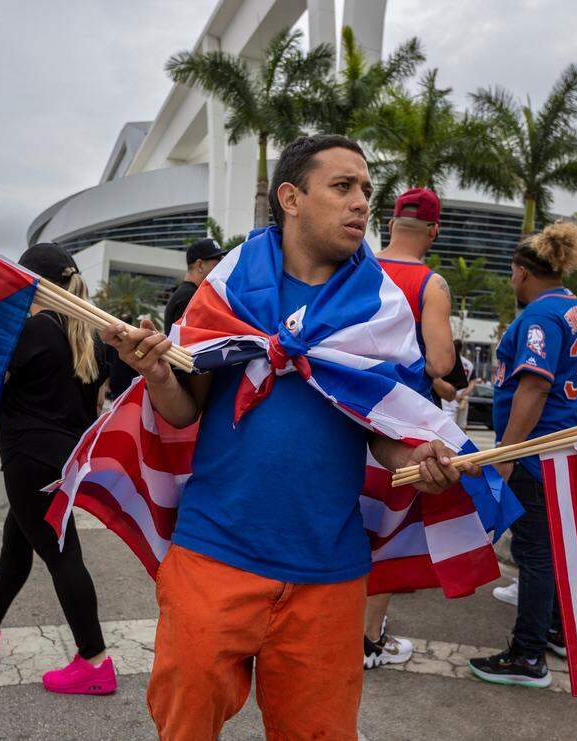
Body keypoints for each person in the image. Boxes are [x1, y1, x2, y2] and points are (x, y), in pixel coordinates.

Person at [101, 135, 460, 738]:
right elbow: (186, 411)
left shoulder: (381, 309)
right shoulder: (227, 288)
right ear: (291, 198)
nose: (360, 204)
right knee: (183, 725)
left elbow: (386, 431)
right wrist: (159, 372)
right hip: (214, 553)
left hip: (329, 570)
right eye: (342, 187)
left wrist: (419, 454)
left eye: (366, 191)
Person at [0, 243, 115, 695]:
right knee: (17, 544)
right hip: (62, 458)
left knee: (62, 556)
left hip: (28, 457)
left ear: (32, 282)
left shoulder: (34, 330)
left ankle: (94, 661)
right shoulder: (89, 337)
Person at [466, 220, 577, 689]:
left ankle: (527, 656)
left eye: (511, 274)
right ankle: (556, 630)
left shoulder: (540, 317)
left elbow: (535, 385)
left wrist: (507, 451)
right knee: (553, 551)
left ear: (522, 272)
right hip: (566, 448)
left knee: (536, 554)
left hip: (539, 451)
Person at [367, 186, 457, 669]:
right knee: (384, 537)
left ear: (390, 223)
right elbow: (441, 361)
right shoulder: (431, 283)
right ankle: (366, 641)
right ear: (433, 231)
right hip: (398, 430)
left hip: (341, 416)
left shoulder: (359, 266)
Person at [163, 237, 227, 334]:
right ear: (200, 265)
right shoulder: (191, 296)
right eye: (216, 264)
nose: (220, 269)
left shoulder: (184, 293)